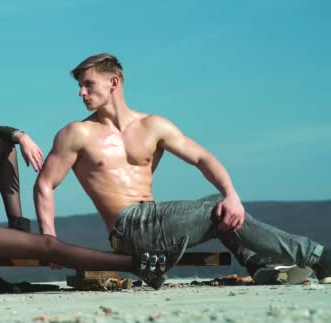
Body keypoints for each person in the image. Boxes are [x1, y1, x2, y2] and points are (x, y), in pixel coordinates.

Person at [34, 53, 329, 288]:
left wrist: (232, 194)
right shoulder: (77, 133)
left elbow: (203, 158)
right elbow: (44, 184)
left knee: (222, 206)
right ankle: (319, 257)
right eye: (80, 87)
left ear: (113, 82)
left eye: (88, 85)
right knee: (216, 207)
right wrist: (50, 240)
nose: (81, 93)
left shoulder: (153, 126)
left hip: (155, 222)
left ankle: (260, 266)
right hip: (127, 228)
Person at [0, 77, 182, 295]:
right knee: (47, 245)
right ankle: (138, 265)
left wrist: (21, 136)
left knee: (1, 142)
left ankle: (18, 226)